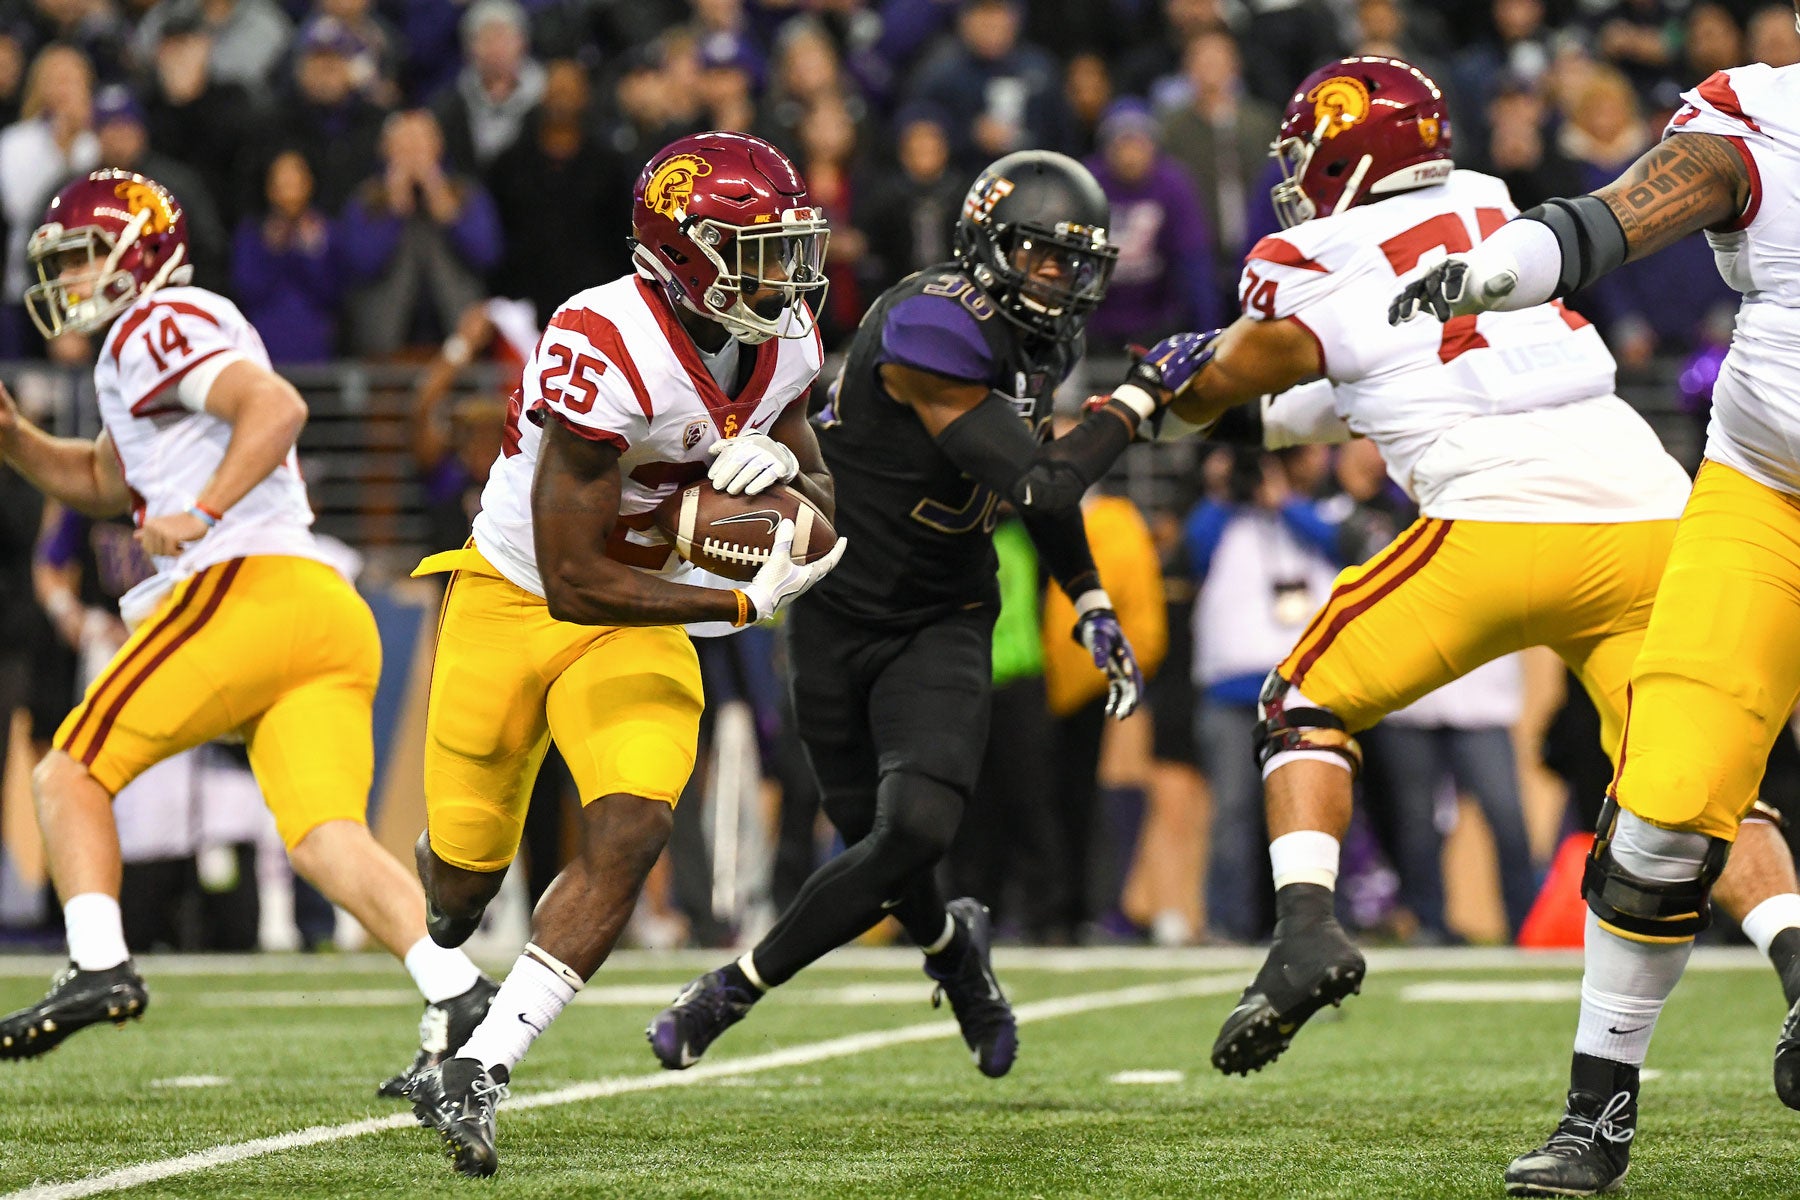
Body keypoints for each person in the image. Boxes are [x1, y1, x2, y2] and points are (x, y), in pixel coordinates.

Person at [1155, 53, 1800, 1121]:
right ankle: (1792, 961)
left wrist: (1157, 393)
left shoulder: (1310, 252)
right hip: (1650, 502)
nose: (1301, 171)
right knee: (1696, 779)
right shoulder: (1487, 206)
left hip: (1500, 520)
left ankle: (1305, 928)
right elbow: (1384, 376)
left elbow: (1251, 378)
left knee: (1303, 700)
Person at [646, 150, 1207, 1080]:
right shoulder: (927, 327)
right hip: (833, 606)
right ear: (988, 250)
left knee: (912, 832)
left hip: (943, 613)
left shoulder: (1038, 340)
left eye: (1074, 263)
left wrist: (1090, 593)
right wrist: (1139, 401)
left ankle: (731, 989)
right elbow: (1040, 480)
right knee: (880, 850)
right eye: (1041, 259)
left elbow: (1034, 474)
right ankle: (958, 957)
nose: (1061, 283)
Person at [1390, 32, 1800, 1194]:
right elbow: (1612, 217)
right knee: (1664, 802)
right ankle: (1596, 1113)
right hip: (1770, 499)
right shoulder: (1767, 117)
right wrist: (1498, 268)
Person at [403, 131, 844, 1178]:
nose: (784, 277)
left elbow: (822, 506)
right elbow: (573, 577)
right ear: (683, 253)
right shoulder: (605, 337)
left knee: (636, 821)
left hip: (644, 617)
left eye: (789, 248)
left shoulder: (783, 343)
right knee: (458, 895)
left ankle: (481, 1064)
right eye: (758, 251)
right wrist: (734, 604)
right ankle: (446, 983)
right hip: (518, 598)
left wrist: (785, 460)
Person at [0, 170, 496, 1093]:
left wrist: (202, 507)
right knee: (321, 836)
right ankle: (458, 988)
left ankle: (100, 962)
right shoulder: (152, 342)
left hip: (247, 590)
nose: (66, 281)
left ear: (132, 250)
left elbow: (277, 408)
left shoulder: (157, 323)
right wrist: (17, 439)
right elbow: (109, 481)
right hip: (317, 612)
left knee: (68, 770)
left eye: (77, 257)